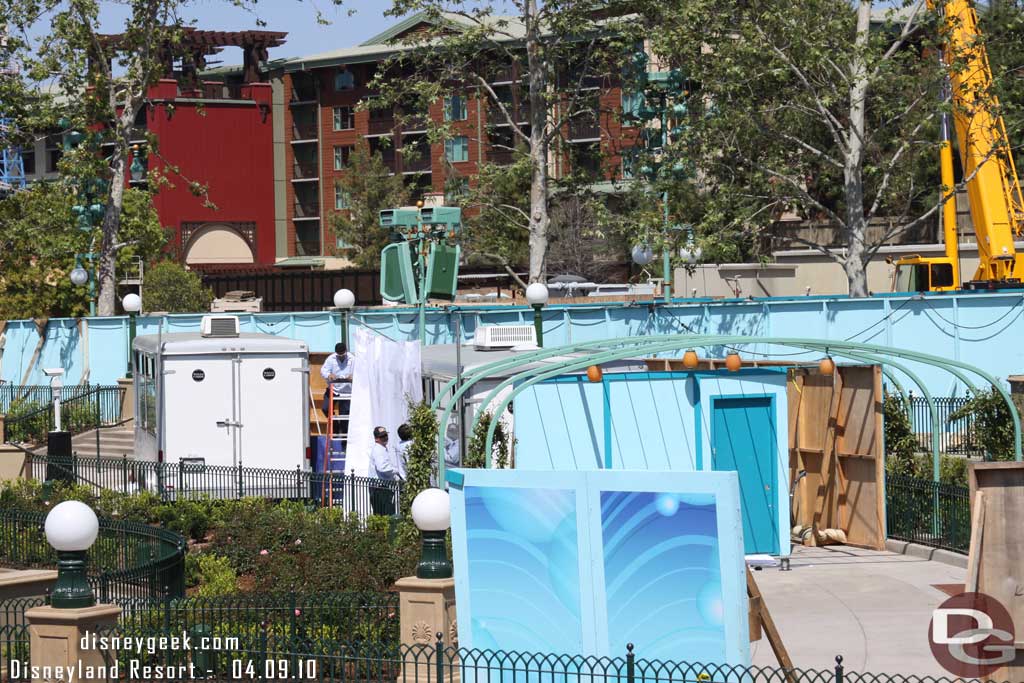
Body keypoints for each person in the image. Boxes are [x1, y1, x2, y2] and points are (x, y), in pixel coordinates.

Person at [320, 342, 354, 437]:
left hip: (347, 391)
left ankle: (344, 440)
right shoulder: (331, 358)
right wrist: (329, 375)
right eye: (339, 355)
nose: (341, 357)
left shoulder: (353, 359)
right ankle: (335, 427)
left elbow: (360, 371)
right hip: (333, 389)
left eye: (342, 355)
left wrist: (353, 376)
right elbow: (323, 370)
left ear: (346, 352)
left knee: (344, 416)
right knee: (325, 408)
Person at [368, 426, 398, 515]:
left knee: (381, 514)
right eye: (382, 436)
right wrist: (396, 470)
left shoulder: (381, 448)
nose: (385, 437)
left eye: (385, 435)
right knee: (385, 514)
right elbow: (382, 468)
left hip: (380, 487)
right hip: (380, 488)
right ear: (376, 439)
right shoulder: (378, 450)